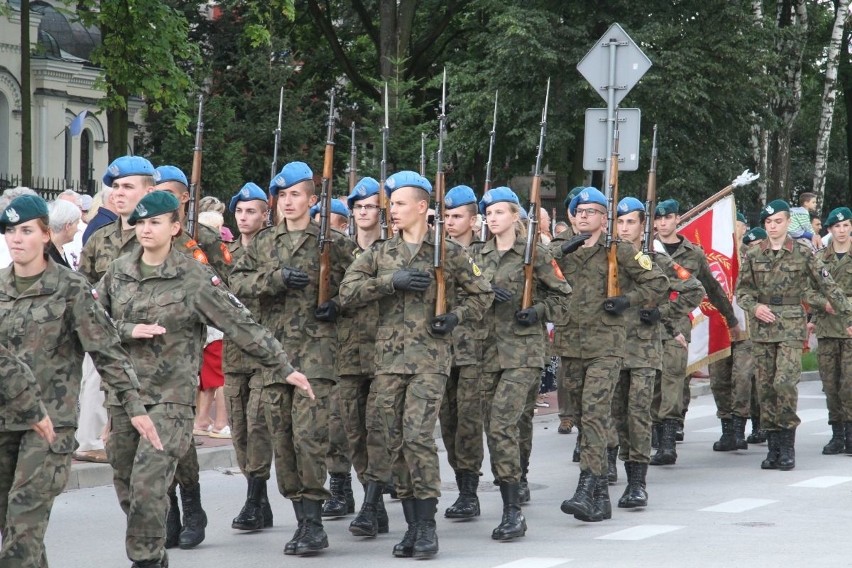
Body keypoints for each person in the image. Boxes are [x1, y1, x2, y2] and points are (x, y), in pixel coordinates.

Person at [97, 191, 313, 568]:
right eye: (141, 223)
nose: (145, 230)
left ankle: (145, 560)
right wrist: (129, 328)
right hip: (124, 397)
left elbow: (240, 323)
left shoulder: (193, 277)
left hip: (170, 398)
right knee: (129, 487)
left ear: (175, 227)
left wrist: (283, 366)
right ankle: (155, 554)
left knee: (149, 488)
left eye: (155, 222)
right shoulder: (118, 271)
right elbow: (91, 324)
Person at [0, 194, 161, 567]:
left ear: (45, 234)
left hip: (48, 427)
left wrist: (134, 407)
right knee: (14, 528)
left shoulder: (70, 288)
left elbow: (106, 351)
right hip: (4, 420)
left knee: (23, 524)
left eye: (25, 230)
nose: (16, 239)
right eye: (10, 232)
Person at [339, 170, 492, 558]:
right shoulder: (379, 254)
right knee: (392, 441)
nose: (393, 211)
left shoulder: (449, 253)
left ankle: (426, 525)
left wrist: (456, 317)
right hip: (388, 362)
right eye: (392, 205)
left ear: (422, 208)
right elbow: (347, 292)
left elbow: (483, 295)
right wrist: (391, 281)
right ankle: (410, 524)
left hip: (431, 359)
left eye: (401, 204)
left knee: (418, 436)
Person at [230, 161, 355, 556]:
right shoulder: (264, 243)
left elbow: (360, 288)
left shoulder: (333, 244)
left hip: (317, 357)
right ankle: (301, 519)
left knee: (309, 438)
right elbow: (238, 284)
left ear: (312, 200)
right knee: (282, 441)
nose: (287, 201)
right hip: (274, 357)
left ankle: (315, 523)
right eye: (282, 195)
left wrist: (336, 304)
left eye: (295, 194)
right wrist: (275, 280)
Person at [553, 187, 668, 523]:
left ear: (605, 219)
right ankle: (601, 498)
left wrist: (627, 300)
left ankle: (587, 486)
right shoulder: (558, 250)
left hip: (607, 347)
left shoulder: (619, 251)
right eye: (580, 211)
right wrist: (560, 252)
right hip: (570, 346)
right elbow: (531, 276)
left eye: (593, 211)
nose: (585, 216)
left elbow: (659, 284)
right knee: (584, 417)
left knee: (594, 414)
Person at [478, 186, 570, 539]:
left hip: (523, 353)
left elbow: (563, 297)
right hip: (486, 352)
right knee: (499, 427)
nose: (493, 219)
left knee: (502, 423)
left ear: (515, 216)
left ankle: (512, 511)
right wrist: (484, 292)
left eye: (500, 212)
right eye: (488, 214)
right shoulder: (478, 255)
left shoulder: (536, 254)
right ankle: (517, 480)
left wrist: (537, 311)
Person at [737, 199, 852, 471]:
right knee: (765, 389)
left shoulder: (804, 253)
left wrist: (847, 315)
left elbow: (829, 286)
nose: (773, 227)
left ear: (788, 222)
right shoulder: (753, 255)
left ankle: (788, 446)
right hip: (764, 329)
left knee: (784, 383)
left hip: (790, 326)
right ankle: (773, 447)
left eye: (778, 221)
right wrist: (755, 307)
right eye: (768, 222)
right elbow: (742, 292)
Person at [613, 197, 704, 507]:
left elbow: (694, 289)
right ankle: (609, 468)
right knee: (615, 415)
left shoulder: (657, 260)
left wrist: (663, 312)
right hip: (609, 348)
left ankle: (636, 482)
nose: (624, 228)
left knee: (638, 413)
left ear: (643, 226)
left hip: (643, 350)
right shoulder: (606, 259)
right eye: (620, 222)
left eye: (630, 222)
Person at [651, 199, 738, 463]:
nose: (663, 223)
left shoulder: (694, 253)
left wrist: (730, 318)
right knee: (654, 381)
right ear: (654, 222)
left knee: (673, 379)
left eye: (668, 218)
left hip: (677, 323)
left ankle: (668, 442)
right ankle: (655, 430)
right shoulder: (645, 249)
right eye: (659, 219)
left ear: (677, 219)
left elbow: (711, 287)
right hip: (647, 323)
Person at [339, 177, 394, 538]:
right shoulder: (337, 250)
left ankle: (372, 503)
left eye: (370, 206)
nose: (363, 212)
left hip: (386, 351)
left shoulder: (394, 250)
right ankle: (371, 497)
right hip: (345, 351)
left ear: (382, 211)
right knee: (353, 431)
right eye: (357, 207)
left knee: (379, 428)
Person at [223, 182, 276, 531]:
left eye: (251, 211)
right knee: (240, 429)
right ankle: (259, 498)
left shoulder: (271, 250)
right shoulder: (224, 254)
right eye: (240, 211)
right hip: (233, 352)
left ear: (264, 215)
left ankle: (254, 499)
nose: (244, 217)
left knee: (258, 426)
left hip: (263, 352)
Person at [438, 185, 487, 520]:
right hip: (440, 350)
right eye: (446, 216)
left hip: (474, 350)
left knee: (468, 423)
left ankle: (469, 492)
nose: (451, 222)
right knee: (447, 422)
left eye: (457, 216)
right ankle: (460, 481)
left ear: (473, 220)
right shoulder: (436, 252)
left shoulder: (487, 253)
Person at [810, 207, 852, 454]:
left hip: (849, 327)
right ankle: (837, 434)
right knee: (831, 383)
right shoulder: (818, 258)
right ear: (829, 230)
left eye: (846, 225)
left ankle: (850, 433)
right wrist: (822, 304)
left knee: (849, 383)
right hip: (827, 327)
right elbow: (807, 290)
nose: (842, 230)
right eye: (837, 226)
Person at [46, 199, 81, 269]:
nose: (78, 230)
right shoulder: (46, 254)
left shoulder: (59, 249)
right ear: (68, 226)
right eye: (77, 224)